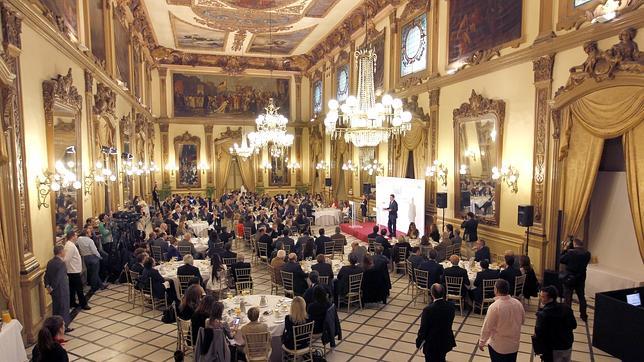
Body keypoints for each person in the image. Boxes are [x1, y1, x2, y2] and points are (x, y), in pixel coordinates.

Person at [478, 279, 525, 362]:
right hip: (514, 345)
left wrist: (482, 342)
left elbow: (487, 327)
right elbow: (522, 321)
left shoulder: (495, 307)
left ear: (496, 290)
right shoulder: (518, 303)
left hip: (499, 346)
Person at [533, 286, 577, 362]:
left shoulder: (543, 314)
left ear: (550, 298)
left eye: (543, 297)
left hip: (552, 348)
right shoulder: (566, 308)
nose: (540, 298)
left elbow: (539, 333)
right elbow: (574, 325)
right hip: (567, 344)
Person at [416, 284, 456, 362]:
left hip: (432, 343)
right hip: (445, 339)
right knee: (442, 358)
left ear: (432, 294)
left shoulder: (428, 310)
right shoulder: (451, 306)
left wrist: (419, 341)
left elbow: (423, 328)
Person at [559, 237, 591, 322]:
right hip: (581, 278)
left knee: (568, 297)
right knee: (581, 297)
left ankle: (567, 315)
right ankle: (583, 315)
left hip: (569, 278)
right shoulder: (587, 254)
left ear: (575, 244)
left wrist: (565, 249)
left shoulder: (571, 253)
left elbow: (561, 259)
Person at [44, 245, 72, 332]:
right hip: (61, 290)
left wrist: (48, 286)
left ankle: (55, 327)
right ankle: (63, 327)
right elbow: (58, 278)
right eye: (64, 251)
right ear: (61, 252)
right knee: (64, 309)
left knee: (56, 308)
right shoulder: (61, 264)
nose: (65, 252)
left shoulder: (50, 262)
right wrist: (52, 287)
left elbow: (46, 276)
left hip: (54, 292)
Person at [62, 231, 89, 310]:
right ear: (72, 236)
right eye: (76, 235)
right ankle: (83, 304)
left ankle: (72, 303)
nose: (77, 237)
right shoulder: (70, 246)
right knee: (79, 289)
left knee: (72, 288)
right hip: (73, 271)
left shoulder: (70, 245)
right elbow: (67, 259)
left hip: (73, 270)